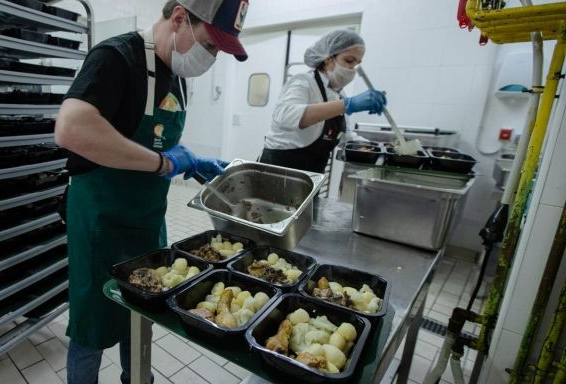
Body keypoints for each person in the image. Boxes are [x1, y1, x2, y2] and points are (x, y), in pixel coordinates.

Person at [53, 0, 250, 382]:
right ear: (179, 18)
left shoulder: (177, 75)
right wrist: (164, 164)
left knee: (139, 315)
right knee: (92, 326)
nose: (211, 58)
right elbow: (71, 129)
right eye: (210, 46)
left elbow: (155, 142)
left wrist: (191, 161)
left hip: (146, 223)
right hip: (100, 222)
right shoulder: (116, 57)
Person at [259, 30, 387, 173]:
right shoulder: (303, 81)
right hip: (279, 167)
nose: (353, 69)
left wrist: (375, 147)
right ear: (328, 58)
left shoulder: (339, 94)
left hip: (313, 172)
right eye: (349, 61)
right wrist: (347, 105)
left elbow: (342, 135)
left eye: (357, 63)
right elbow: (285, 117)